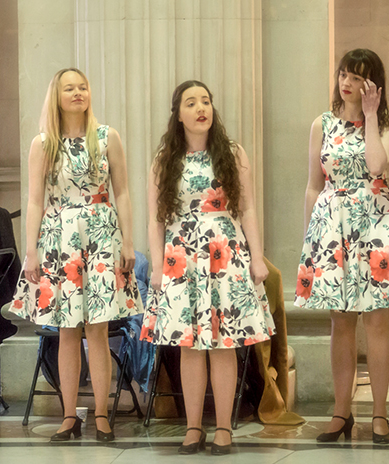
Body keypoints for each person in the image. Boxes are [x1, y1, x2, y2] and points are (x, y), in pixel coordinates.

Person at [294, 49, 389, 444]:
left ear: (372, 83)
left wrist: (370, 116)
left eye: (356, 77)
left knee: (376, 321)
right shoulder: (321, 124)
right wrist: (310, 242)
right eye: (343, 74)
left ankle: (380, 414)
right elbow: (312, 185)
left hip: (375, 225)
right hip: (331, 227)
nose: (347, 82)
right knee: (340, 321)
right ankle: (341, 412)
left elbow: (375, 166)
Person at [140, 80, 275, 456]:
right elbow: (155, 218)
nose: (201, 108)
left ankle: (223, 428)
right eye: (191, 102)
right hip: (181, 256)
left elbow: (246, 207)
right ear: (178, 114)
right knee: (190, 346)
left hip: (225, 253)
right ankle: (193, 426)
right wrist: (156, 265)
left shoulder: (232, 153)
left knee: (223, 343)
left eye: (206, 101)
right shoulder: (165, 157)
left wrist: (257, 256)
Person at [11, 68, 142, 443]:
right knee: (67, 333)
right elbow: (34, 200)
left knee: (97, 331)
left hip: (101, 236)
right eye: (69, 88)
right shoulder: (43, 144)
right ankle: (69, 416)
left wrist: (128, 243)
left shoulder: (106, 137)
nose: (78, 93)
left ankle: (101, 413)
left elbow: (123, 193)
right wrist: (31, 250)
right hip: (59, 239)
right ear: (57, 96)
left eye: (83, 87)